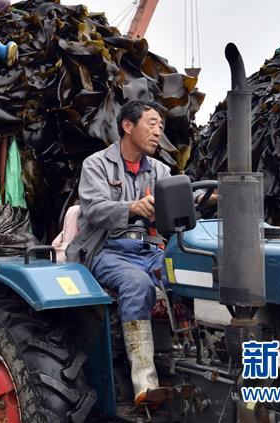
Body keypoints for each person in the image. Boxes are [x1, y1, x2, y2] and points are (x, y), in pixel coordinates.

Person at [65, 100, 172, 407]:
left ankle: (187, 357)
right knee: (137, 284)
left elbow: (183, 197)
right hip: (107, 250)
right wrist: (133, 207)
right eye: (151, 124)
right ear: (128, 126)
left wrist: (212, 196)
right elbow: (95, 211)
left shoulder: (161, 170)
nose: (158, 132)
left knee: (185, 275)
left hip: (150, 249)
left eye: (161, 126)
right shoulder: (96, 165)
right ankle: (145, 382)